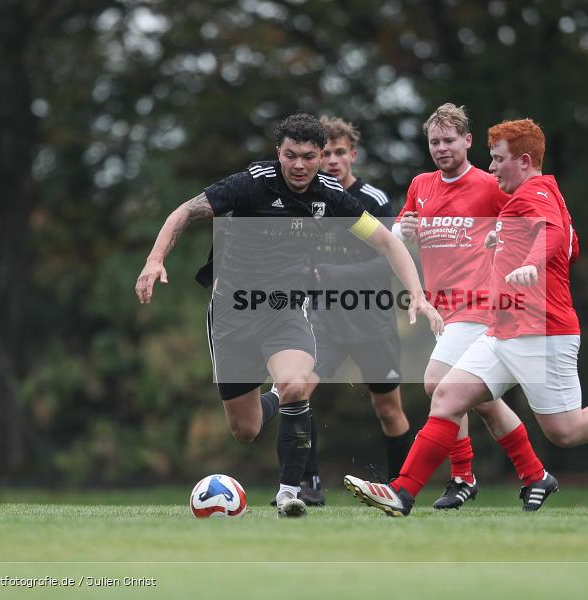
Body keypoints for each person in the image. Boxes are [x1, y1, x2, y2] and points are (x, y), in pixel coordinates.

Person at [344, 117, 588, 517]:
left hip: (541, 333)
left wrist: (530, 260)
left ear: (524, 161)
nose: (491, 168)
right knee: (446, 395)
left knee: (565, 430)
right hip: (503, 328)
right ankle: (402, 493)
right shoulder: (527, 197)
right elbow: (571, 244)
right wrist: (508, 240)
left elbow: (552, 235)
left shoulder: (536, 192)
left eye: (497, 160)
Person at [135, 113, 443, 518]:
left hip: (285, 310)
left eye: (309, 157)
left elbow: (387, 243)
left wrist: (417, 295)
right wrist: (154, 260)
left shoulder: (331, 195)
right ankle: (278, 397)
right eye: (290, 156)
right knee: (245, 430)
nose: (299, 165)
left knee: (298, 383)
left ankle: (289, 494)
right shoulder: (252, 183)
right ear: (279, 153)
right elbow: (185, 212)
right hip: (233, 312)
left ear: (320, 157)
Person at [392, 103, 553, 511]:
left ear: (467, 141)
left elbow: (530, 223)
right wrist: (402, 231)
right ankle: (534, 474)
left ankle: (461, 476)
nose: (441, 148)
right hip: (442, 312)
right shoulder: (421, 185)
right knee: (477, 399)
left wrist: (515, 254)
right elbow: (397, 237)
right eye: (434, 141)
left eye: (449, 140)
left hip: (482, 305)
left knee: (435, 383)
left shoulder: (490, 185)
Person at [270, 116, 413, 507]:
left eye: (338, 152)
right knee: (295, 393)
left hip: (372, 321)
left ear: (352, 154)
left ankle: (401, 488)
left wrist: (330, 273)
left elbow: (389, 262)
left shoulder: (374, 201)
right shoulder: (307, 197)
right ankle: (305, 484)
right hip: (324, 322)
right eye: (325, 154)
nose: (331, 160)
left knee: (388, 409)